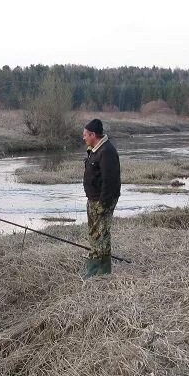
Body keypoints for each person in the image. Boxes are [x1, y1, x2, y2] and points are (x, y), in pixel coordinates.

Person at [81, 118, 121, 278]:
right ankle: (101, 269)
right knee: (94, 233)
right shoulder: (96, 149)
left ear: (93, 134)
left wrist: (103, 204)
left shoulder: (107, 151)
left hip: (102, 201)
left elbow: (110, 181)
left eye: (85, 135)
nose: (83, 137)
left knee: (100, 234)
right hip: (93, 199)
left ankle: (97, 271)